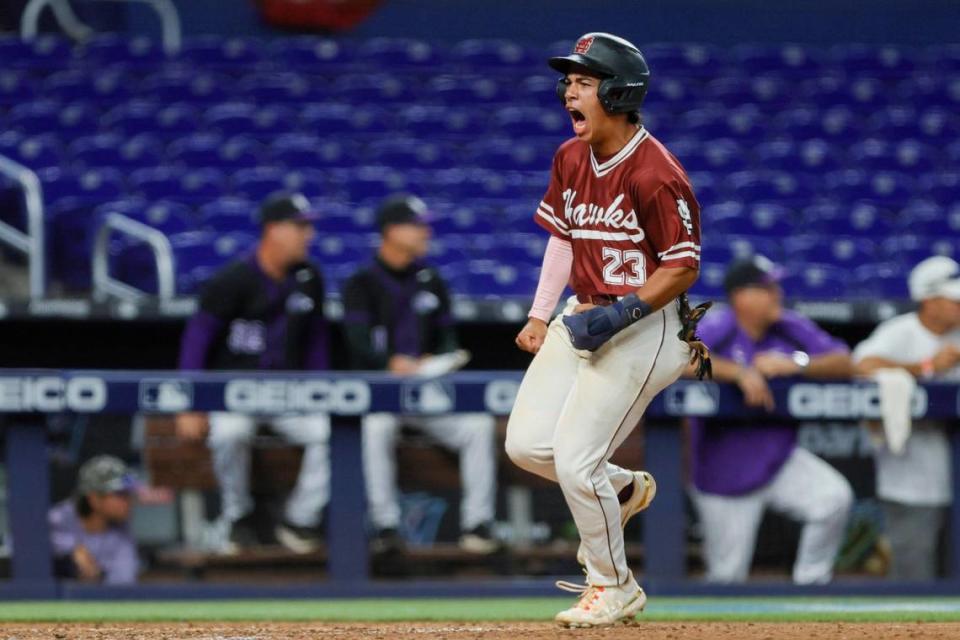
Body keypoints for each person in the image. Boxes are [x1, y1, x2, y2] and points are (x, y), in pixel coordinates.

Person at [504, 33, 708, 627]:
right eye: (569, 80)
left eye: (584, 81)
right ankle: (620, 490)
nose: (570, 90)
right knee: (526, 445)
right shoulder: (570, 157)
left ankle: (614, 586)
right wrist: (541, 313)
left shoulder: (656, 172)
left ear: (618, 93)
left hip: (644, 330)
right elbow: (563, 239)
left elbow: (682, 265)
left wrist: (622, 315)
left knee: (574, 461)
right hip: (583, 313)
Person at [342, 193, 499, 555]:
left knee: (476, 425)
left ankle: (478, 524)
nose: (425, 232)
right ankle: (384, 525)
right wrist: (387, 362)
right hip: (382, 392)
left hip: (427, 389)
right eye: (416, 225)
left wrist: (437, 357)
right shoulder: (362, 282)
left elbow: (448, 339)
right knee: (375, 427)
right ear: (391, 230)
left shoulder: (431, 279)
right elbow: (357, 344)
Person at [176, 192, 331, 554]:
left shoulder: (309, 278)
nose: (308, 234)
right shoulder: (233, 280)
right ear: (273, 230)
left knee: (329, 433)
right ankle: (237, 517)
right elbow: (197, 340)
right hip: (236, 392)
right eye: (300, 226)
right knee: (230, 433)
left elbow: (316, 342)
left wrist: (323, 390)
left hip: (290, 394)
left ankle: (299, 519)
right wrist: (190, 401)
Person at [688, 256, 855, 584]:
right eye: (766, 288)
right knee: (726, 578)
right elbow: (678, 359)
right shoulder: (721, 324)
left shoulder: (788, 326)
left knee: (833, 498)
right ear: (741, 296)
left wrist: (797, 363)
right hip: (724, 470)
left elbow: (846, 362)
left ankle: (811, 584)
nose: (776, 294)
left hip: (777, 458)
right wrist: (738, 372)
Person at [852, 256, 960, 580]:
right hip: (912, 479)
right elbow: (860, 366)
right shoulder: (900, 332)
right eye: (953, 299)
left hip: (950, 470)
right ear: (929, 301)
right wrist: (928, 367)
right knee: (915, 576)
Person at [48, 455, 139, 585]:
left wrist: (97, 575)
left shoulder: (122, 530)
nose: (129, 501)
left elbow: (123, 583)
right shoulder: (57, 518)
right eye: (121, 495)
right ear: (94, 499)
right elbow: (21, 551)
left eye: (129, 494)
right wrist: (69, 553)